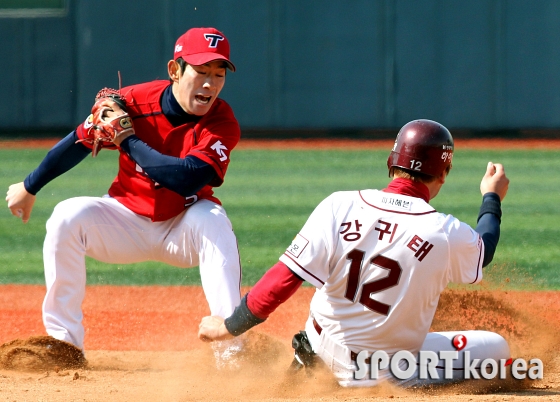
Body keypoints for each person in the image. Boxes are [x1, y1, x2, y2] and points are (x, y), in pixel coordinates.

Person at [198, 119, 511, 387]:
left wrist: (230, 326)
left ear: (392, 162)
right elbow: (483, 252)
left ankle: (308, 362)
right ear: (444, 173)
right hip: (386, 370)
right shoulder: (444, 232)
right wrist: (491, 196)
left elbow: (283, 280)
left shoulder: (340, 204)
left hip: (320, 348)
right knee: (497, 347)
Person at [6, 27, 243, 367]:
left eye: (219, 74)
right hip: (126, 219)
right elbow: (78, 140)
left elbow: (186, 179)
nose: (211, 83)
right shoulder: (131, 102)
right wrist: (30, 186)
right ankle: (63, 346)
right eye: (201, 71)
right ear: (175, 70)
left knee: (214, 221)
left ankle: (231, 352)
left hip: (183, 226)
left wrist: (128, 141)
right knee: (66, 216)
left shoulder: (221, 121)